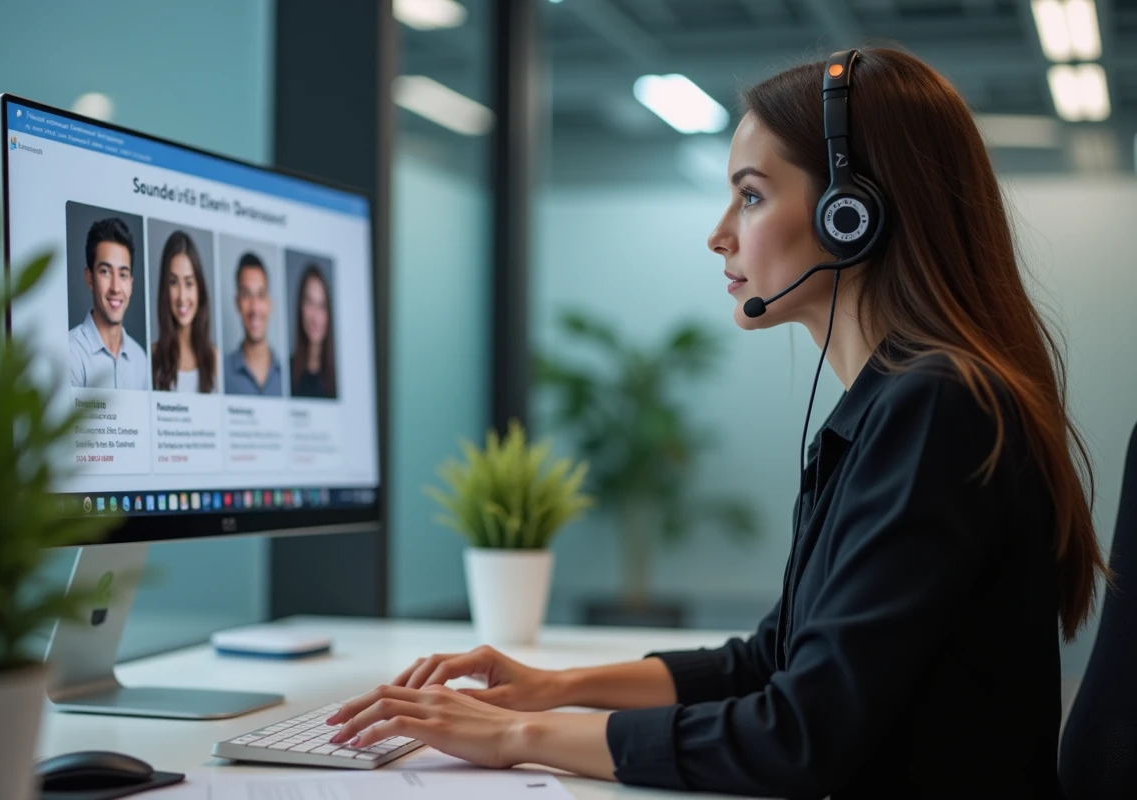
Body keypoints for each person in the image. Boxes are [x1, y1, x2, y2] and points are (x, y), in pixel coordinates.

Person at [321, 48, 1110, 797]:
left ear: (852, 215)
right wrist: (551, 687)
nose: (718, 232)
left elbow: (800, 734)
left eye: (752, 195)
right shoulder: (896, 406)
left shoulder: (938, 407)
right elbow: (770, 661)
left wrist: (519, 735)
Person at [68, 217, 149, 390]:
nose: (115, 288)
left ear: (131, 283)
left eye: (123, 275)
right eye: (105, 272)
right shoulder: (71, 352)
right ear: (89, 278)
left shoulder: (140, 359)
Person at [150, 230, 218, 393]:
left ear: (199, 288)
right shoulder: (151, 356)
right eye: (173, 282)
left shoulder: (215, 359)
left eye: (189, 283)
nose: (182, 297)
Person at [224, 251, 282, 396]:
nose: (255, 307)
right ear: (237, 303)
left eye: (261, 295)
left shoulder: (289, 375)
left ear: (269, 303)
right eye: (246, 295)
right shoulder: (222, 373)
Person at [289, 264, 338, 399]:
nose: (315, 317)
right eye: (310, 303)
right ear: (301, 307)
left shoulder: (339, 377)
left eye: (321, 306)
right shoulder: (286, 372)